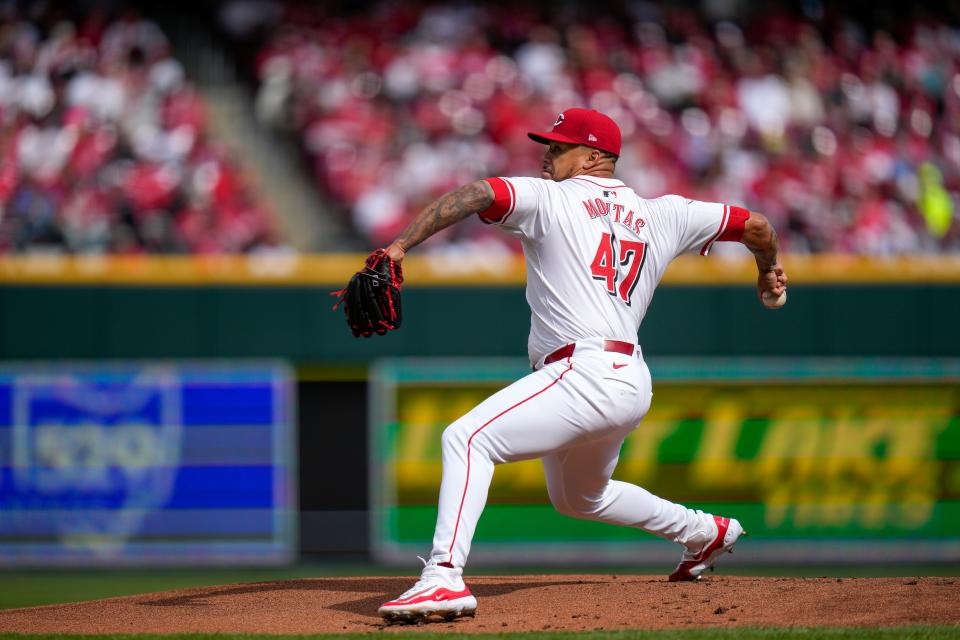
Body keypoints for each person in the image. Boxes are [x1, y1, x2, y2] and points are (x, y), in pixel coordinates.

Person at [376, 108, 788, 623]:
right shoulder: (666, 213)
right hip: (630, 378)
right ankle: (705, 531)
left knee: (467, 438)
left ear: (594, 156)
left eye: (558, 147)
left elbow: (478, 194)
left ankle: (442, 578)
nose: (547, 156)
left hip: (583, 370)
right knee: (579, 496)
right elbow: (758, 225)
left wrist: (398, 247)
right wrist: (769, 269)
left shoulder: (549, 198)